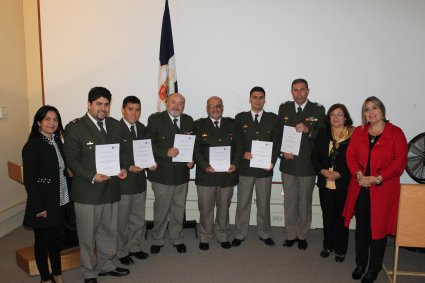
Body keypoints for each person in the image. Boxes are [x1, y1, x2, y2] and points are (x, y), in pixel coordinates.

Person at [63, 87, 129, 283]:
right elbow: (72, 160)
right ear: (89, 104)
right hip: (88, 190)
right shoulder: (75, 128)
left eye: (107, 104)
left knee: (109, 230)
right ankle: (89, 272)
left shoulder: (115, 125)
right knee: (87, 235)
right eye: (99, 104)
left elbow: (122, 152)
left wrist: (123, 168)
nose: (103, 108)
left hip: (111, 187)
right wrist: (92, 176)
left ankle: (107, 265)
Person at [343, 96, 407, 283]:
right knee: (362, 228)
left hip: (383, 189)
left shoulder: (396, 133)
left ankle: (374, 268)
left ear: (382, 110)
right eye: (367, 109)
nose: (371, 112)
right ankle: (361, 264)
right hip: (361, 186)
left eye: (374, 108)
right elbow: (350, 156)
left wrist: (378, 178)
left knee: (378, 229)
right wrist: (358, 175)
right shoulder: (359, 132)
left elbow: (399, 162)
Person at [22, 105, 69, 283]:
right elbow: (30, 180)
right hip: (43, 202)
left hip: (60, 198)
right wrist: (39, 206)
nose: (52, 123)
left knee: (56, 241)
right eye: (47, 119)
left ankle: (57, 273)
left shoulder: (57, 141)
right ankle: (45, 278)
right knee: (42, 243)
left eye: (55, 119)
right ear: (38, 122)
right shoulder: (32, 145)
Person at [278, 78, 326, 250]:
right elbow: (279, 133)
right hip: (288, 164)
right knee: (290, 202)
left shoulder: (318, 109)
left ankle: (302, 235)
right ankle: (291, 235)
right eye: (295, 90)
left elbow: (323, 134)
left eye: (302, 89)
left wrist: (309, 130)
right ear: (291, 91)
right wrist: (281, 152)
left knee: (305, 203)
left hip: (307, 165)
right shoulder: (284, 108)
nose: (299, 93)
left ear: (308, 91)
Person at [145, 93, 194, 254]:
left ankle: (177, 238)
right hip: (162, 175)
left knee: (178, 209)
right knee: (161, 209)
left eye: (180, 103)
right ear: (166, 103)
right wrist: (166, 151)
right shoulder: (155, 120)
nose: (176, 106)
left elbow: (192, 145)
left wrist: (191, 160)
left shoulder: (188, 121)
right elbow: (148, 145)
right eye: (173, 102)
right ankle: (158, 239)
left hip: (181, 174)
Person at [232, 87, 280, 247]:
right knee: (243, 202)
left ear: (264, 100)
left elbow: (277, 143)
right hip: (245, 168)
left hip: (264, 169)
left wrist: (272, 161)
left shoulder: (273, 119)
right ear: (250, 99)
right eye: (255, 97)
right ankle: (240, 233)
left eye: (261, 97)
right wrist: (242, 154)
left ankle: (264, 233)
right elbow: (237, 142)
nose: (258, 100)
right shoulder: (240, 118)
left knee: (263, 203)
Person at [193, 96, 243, 250]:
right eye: (211, 106)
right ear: (207, 108)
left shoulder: (233, 124)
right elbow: (195, 150)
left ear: (223, 107)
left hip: (227, 175)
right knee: (205, 208)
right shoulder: (198, 125)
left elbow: (239, 147)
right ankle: (205, 236)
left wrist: (235, 164)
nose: (215, 109)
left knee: (223, 208)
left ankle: (222, 234)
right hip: (206, 175)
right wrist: (204, 166)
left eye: (218, 106)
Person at [312, 103, 354, 262]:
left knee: (341, 217)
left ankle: (341, 249)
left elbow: (356, 159)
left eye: (339, 114)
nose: (336, 117)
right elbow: (314, 155)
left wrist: (340, 173)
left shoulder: (352, 135)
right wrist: (321, 171)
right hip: (325, 181)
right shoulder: (323, 133)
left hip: (343, 182)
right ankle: (328, 245)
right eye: (332, 114)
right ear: (328, 118)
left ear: (345, 117)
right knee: (328, 215)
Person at [117, 96, 156, 265]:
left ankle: (135, 247)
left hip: (140, 181)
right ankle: (121, 251)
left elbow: (147, 151)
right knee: (121, 220)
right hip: (123, 183)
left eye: (138, 109)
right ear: (123, 110)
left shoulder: (142, 128)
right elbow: (113, 154)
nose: (134, 113)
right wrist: (128, 166)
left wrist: (151, 164)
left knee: (137, 218)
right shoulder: (114, 128)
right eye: (130, 109)